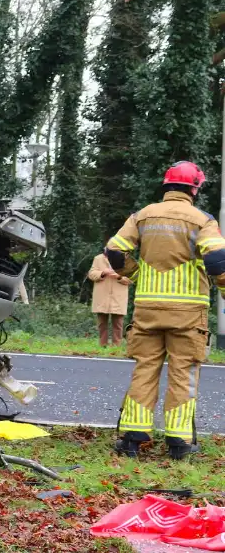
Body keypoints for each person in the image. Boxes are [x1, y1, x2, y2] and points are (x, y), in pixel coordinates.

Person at [104, 161, 225, 459]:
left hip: (147, 310)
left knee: (145, 369)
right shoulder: (202, 220)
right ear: (195, 188)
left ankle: (133, 438)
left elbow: (115, 250)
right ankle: (179, 443)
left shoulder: (142, 216)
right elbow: (217, 261)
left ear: (167, 185)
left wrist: (137, 275)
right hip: (188, 313)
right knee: (184, 373)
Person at [87, 251, 130, 347]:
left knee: (118, 324)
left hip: (118, 297)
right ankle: (103, 345)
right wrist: (102, 273)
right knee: (102, 324)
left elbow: (131, 278)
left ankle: (116, 346)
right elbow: (91, 274)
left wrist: (119, 276)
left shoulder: (126, 259)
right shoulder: (98, 258)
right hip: (102, 296)